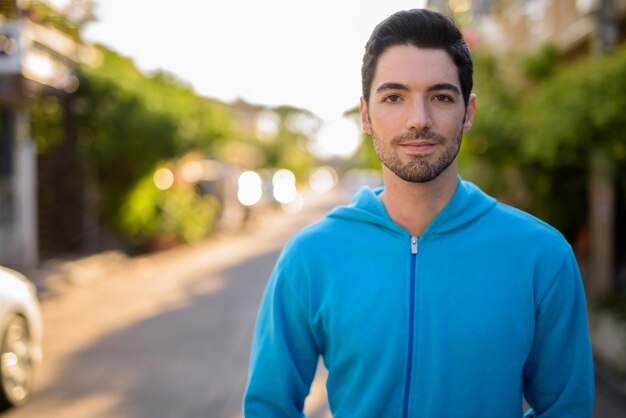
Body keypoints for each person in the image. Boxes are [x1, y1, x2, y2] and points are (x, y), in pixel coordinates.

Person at [243, 8, 594, 418]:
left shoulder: (541, 256)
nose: (418, 120)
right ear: (365, 115)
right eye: (394, 97)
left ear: (469, 112)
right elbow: (269, 407)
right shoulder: (310, 257)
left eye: (441, 97)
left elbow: (567, 408)